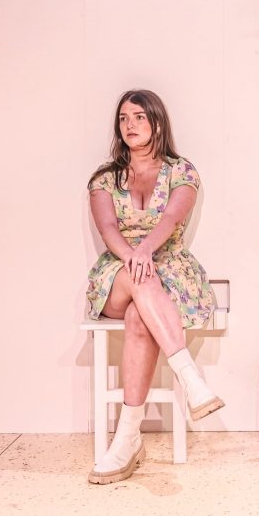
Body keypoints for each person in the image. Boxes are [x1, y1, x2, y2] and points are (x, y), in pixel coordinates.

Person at [85, 89, 223, 485]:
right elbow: (108, 228)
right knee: (134, 276)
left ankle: (127, 440)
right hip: (118, 274)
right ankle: (190, 377)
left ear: (158, 123)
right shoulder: (104, 179)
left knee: (139, 318)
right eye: (124, 118)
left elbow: (172, 221)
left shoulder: (182, 172)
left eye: (139, 117)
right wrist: (134, 256)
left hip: (169, 271)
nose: (130, 125)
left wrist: (146, 250)